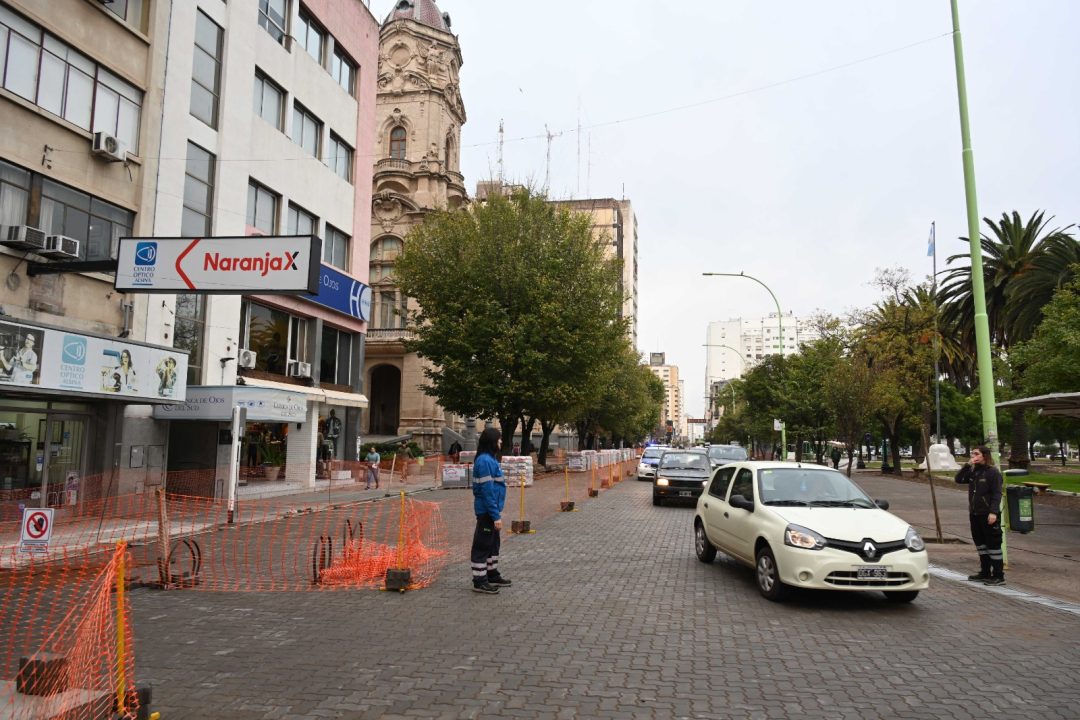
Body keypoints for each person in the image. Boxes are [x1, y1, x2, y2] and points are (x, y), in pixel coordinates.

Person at [955, 445, 1005, 585]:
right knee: (981, 544)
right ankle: (985, 572)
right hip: (975, 514)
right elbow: (958, 479)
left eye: (976, 454)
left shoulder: (992, 472)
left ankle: (998, 575)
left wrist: (993, 512)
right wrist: (967, 465)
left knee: (993, 545)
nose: (973, 456)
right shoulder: (974, 472)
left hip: (988, 515)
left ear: (984, 456)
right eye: (972, 454)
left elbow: (997, 494)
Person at [470, 427, 510, 594]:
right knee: (483, 545)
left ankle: (491, 573)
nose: (501, 441)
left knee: (493, 545)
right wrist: (495, 515)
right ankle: (479, 580)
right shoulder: (485, 461)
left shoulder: (490, 459)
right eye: (499, 439)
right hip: (487, 512)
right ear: (492, 441)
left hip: (492, 511)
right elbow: (487, 491)